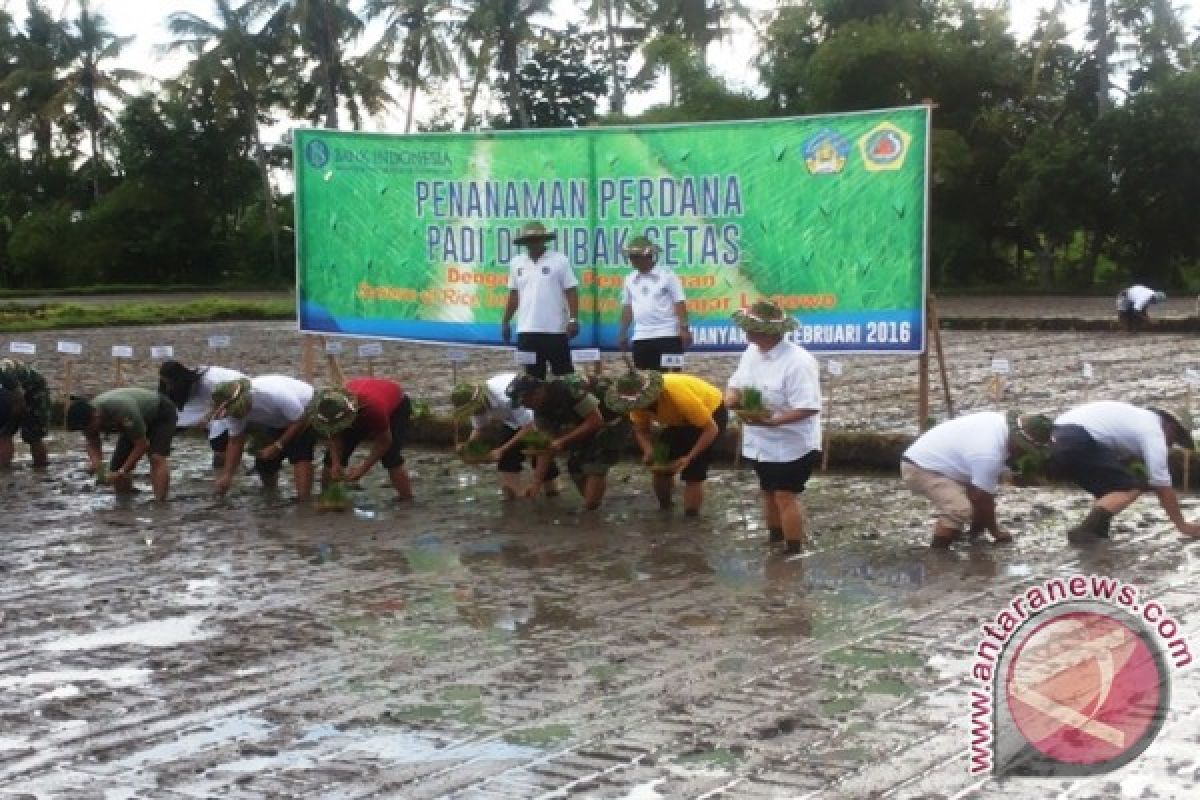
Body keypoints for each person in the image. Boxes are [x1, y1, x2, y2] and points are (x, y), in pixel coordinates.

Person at [724, 300, 822, 554]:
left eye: (751, 327)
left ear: (769, 332)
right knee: (767, 492)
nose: (746, 332)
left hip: (792, 443)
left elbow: (808, 406)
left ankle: (793, 552)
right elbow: (735, 384)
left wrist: (774, 421)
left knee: (784, 495)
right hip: (759, 441)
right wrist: (732, 398)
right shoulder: (751, 353)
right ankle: (775, 542)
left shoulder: (798, 362)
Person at [1046, 401, 1200, 542]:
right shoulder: (1153, 432)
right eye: (1175, 439)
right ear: (1170, 426)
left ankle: (1097, 532)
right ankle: (1085, 532)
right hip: (1077, 438)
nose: (1171, 445)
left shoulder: (1136, 418)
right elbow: (1162, 486)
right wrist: (1182, 525)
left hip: (1055, 438)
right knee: (1130, 488)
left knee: (1111, 489)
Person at [902, 410, 1054, 548]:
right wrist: (996, 532)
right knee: (959, 508)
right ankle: (938, 556)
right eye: (1024, 449)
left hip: (944, 460)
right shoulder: (988, 454)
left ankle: (972, 537)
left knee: (977, 500)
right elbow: (982, 498)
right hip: (921, 466)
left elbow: (981, 495)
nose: (1023, 454)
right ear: (1016, 441)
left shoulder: (998, 423)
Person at [606, 369, 726, 515]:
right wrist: (648, 450)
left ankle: (691, 516)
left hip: (711, 412)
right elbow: (641, 429)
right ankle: (665, 508)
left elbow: (711, 430)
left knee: (694, 471)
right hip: (678, 420)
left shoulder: (679, 397)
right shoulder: (636, 405)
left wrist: (689, 457)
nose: (640, 407)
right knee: (660, 464)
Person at [451, 372, 560, 500]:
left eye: (475, 410)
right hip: (510, 421)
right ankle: (514, 496)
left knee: (538, 452)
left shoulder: (506, 397)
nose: (476, 413)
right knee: (507, 460)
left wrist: (502, 450)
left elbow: (529, 427)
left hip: (532, 416)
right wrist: (468, 448)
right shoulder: (478, 407)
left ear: (480, 400)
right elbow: (480, 428)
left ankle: (552, 492)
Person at [507, 374, 608, 509]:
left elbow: (596, 421)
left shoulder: (569, 389)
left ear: (537, 392)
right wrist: (536, 483)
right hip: (578, 430)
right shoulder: (540, 411)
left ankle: (592, 510)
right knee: (578, 474)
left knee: (594, 471)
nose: (526, 407)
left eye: (526, 402)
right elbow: (546, 448)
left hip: (608, 423)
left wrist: (562, 440)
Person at [209, 375, 317, 500]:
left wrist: (278, 445)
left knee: (299, 452)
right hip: (273, 420)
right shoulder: (232, 412)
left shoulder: (273, 393)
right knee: (264, 460)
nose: (238, 414)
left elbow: (300, 419)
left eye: (239, 409)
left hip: (305, 411)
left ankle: (303, 502)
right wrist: (227, 475)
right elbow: (236, 441)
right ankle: (271, 497)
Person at [309, 377, 414, 501]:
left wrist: (363, 468)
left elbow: (384, 442)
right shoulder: (331, 406)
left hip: (396, 405)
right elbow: (333, 433)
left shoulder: (374, 410)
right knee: (330, 460)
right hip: (358, 400)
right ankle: (327, 498)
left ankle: (407, 500)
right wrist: (336, 463)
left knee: (391, 456)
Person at [66, 388, 178, 501]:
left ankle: (160, 504)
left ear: (96, 416)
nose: (87, 432)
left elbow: (142, 445)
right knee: (115, 469)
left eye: (89, 428)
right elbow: (92, 442)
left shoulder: (121, 410)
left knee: (156, 457)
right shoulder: (88, 420)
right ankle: (125, 504)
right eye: (84, 430)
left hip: (160, 413)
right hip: (133, 423)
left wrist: (123, 471)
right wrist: (96, 463)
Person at [501, 221, 580, 378]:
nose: (533, 243)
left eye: (537, 239)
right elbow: (514, 295)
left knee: (564, 376)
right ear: (524, 242)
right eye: (529, 240)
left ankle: (563, 404)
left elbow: (571, 291)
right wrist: (505, 321)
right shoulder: (516, 263)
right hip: (527, 331)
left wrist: (573, 319)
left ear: (544, 240)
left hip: (555, 330)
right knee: (533, 379)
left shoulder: (560, 260)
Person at [616, 235, 690, 370]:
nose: (632, 260)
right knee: (644, 382)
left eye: (636, 256)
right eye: (630, 257)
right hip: (641, 337)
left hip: (668, 335)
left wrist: (684, 329)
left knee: (670, 381)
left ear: (648, 256)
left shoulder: (667, 275)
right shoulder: (629, 279)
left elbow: (679, 302)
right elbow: (627, 307)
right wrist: (623, 332)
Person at [158, 360, 246, 468]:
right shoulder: (189, 385)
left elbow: (231, 396)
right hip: (213, 403)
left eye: (169, 384)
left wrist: (208, 417)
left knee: (220, 444)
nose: (168, 388)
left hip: (237, 398)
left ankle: (228, 469)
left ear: (178, 379)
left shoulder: (210, 381)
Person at [0, 358, 50, 468]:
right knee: (4, 433)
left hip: (35, 393)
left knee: (33, 434)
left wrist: (17, 414)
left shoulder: (4, 372)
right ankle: (4, 468)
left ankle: (41, 467)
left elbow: (19, 399)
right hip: (11, 395)